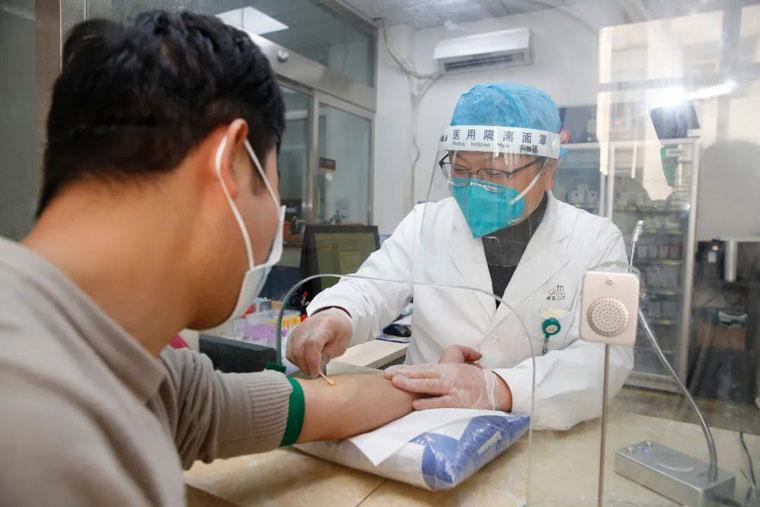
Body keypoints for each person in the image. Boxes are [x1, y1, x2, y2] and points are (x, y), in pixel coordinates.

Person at [0, 11, 419, 505]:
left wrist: (440, 384)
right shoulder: (38, 435)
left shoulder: (144, 373)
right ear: (231, 162)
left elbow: (303, 405)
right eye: (274, 183)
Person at [287, 83, 634, 430]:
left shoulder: (598, 241)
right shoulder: (426, 223)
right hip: (422, 425)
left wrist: (498, 387)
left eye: (494, 172)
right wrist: (337, 314)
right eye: (461, 169)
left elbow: (608, 359)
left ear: (547, 171)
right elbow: (370, 288)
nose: (474, 185)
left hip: (533, 435)